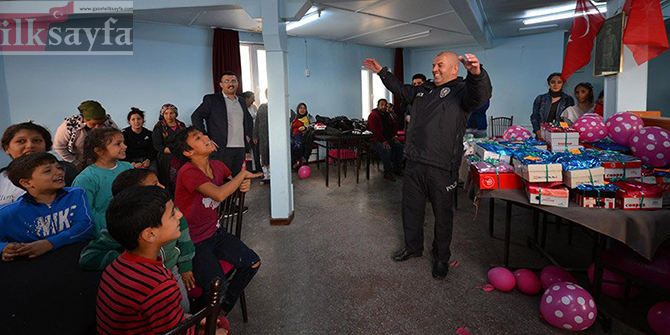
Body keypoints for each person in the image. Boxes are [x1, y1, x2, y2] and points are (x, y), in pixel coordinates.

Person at [363, 51, 492, 280]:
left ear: (454, 69)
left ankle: (441, 257)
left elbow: (480, 94)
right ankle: (413, 248)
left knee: (443, 215)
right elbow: (400, 89)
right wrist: (382, 72)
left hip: (442, 167)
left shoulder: (463, 92)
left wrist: (477, 74)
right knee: (411, 210)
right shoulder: (423, 90)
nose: (434, 69)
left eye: (440, 65)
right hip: (414, 162)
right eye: (433, 64)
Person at [97, 186, 228, 335]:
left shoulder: (116, 266)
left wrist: (192, 319)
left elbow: (158, 319)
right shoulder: (159, 284)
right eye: (172, 213)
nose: (179, 215)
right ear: (150, 234)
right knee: (223, 327)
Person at [171, 127, 261, 314]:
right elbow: (220, 194)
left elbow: (232, 185)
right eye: (198, 137)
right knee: (216, 285)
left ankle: (221, 311)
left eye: (204, 134)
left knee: (253, 262)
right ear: (188, 152)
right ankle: (202, 318)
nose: (206, 136)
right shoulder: (188, 172)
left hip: (215, 233)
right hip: (193, 241)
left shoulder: (218, 166)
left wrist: (242, 185)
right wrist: (242, 176)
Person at [79, 168, 195, 313]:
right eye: (154, 185)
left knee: (183, 307)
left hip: (171, 270)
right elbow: (88, 257)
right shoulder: (124, 229)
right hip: (156, 281)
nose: (180, 215)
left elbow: (185, 239)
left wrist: (186, 266)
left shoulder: (165, 212)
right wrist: (126, 260)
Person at [0, 153, 92, 261]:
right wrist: (4, 248)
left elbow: (85, 226)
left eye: (59, 167)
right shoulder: (10, 212)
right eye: (48, 171)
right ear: (26, 183)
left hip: (76, 258)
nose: (59, 172)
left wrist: (50, 243)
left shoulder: (76, 194)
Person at [72, 128, 134, 238]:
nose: (125, 146)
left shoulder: (128, 167)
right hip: (105, 235)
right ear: (99, 151)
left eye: (123, 142)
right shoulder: (86, 179)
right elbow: (87, 214)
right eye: (118, 144)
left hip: (132, 227)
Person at [0, 122, 79, 205]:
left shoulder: (66, 171)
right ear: (7, 148)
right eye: (21, 141)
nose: (30, 145)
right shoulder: (1, 178)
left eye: (37, 140)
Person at [192, 71, 253, 176]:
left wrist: (248, 135)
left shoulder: (241, 101)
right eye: (227, 81)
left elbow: (248, 118)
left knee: (237, 180)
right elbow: (196, 116)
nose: (231, 84)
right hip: (222, 148)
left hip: (240, 147)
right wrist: (205, 137)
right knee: (222, 180)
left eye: (233, 81)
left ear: (237, 83)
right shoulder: (212, 100)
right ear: (221, 84)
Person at [54, 100, 118, 166]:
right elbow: (59, 147)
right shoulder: (70, 125)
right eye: (93, 124)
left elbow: (117, 140)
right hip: (76, 162)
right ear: (85, 119)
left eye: (100, 124)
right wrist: (75, 163)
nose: (97, 127)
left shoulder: (109, 123)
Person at [152, 103, 187, 194]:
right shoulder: (159, 127)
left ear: (176, 114)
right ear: (162, 115)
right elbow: (157, 145)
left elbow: (187, 139)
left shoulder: (181, 125)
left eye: (172, 113)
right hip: (166, 154)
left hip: (182, 152)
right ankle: (172, 192)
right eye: (166, 113)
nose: (169, 116)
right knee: (172, 167)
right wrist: (172, 151)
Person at [367, 98, 403, 181]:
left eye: (385, 105)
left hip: (387, 139)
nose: (383, 107)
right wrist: (383, 141)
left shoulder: (387, 115)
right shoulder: (373, 115)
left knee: (400, 147)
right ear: (377, 106)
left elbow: (391, 128)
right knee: (387, 149)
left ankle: (397, 169)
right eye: (381, 105)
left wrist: (394, 136)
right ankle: (388, 172)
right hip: (375, 140)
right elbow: (374, 131)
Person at [531, 73, 575, 138]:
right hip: (542, 133)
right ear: (548, 84)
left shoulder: (568, 99)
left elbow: (569, 119)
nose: (555, 85)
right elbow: (534, 117)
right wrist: (537, 131)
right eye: (552, 82)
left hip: (560, 135)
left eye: (559, 82)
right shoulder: (540, 98)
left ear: (563, 84)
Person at [290, 102, 316, 169]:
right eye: (301, 108)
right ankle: (295, 161)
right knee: (291, 144)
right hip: (293, 135)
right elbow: (290, 126)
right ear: (298, 109)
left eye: (304, 108)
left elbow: (314, 125)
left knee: (298, 145)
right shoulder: (294, 117)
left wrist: (305, 127)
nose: (302, 110)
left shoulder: (309, 117)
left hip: (305, 135)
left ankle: (298, 161)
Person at [253, 90, 270, 185]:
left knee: (272, 156)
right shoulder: (262, 107)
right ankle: (266, 176)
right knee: (263, 155)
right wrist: (255, 135)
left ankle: (273, 175)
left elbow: (291, 115)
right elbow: (257, 122)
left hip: (274, 136)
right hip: (263, 136)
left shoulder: (279, 105)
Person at [242, 91, 262, 173]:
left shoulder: (253, 107)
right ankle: (248, 171)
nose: (254, 100)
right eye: (252, 98)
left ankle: (256, 169)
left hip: (254, 132)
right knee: (247, 153)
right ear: (246, 99)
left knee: (255, 152)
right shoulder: (241, 108)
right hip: (246, 134)